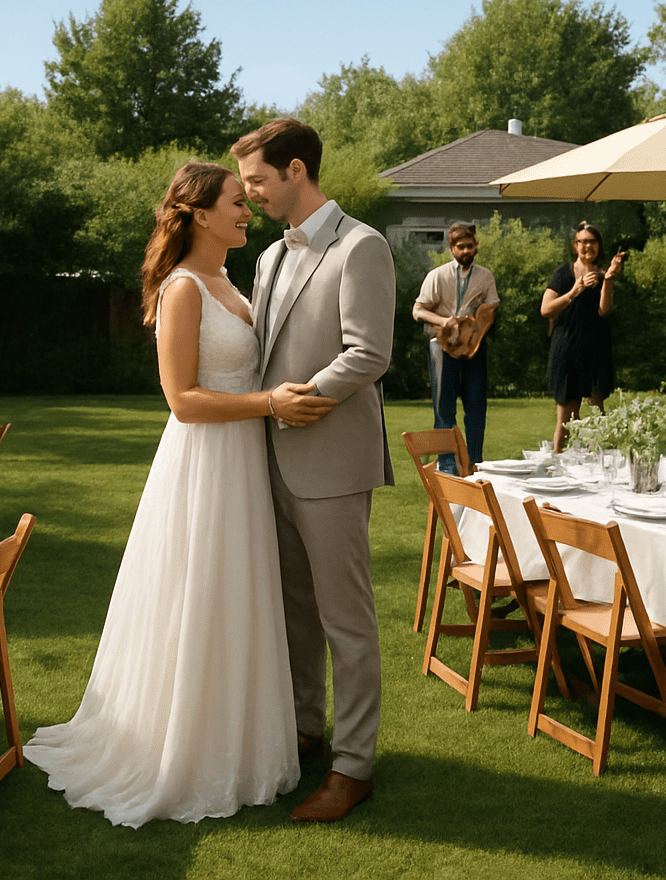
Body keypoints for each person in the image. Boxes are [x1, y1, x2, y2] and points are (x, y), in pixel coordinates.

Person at [24, 161, 331, 827]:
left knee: (240, 596)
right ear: (196, 213)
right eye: (233, 203)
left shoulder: (231, 280)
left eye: (247, 203)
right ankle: (184, 749)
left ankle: (243, 740)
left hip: (245, 461)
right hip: (204, 463)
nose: (247, 210)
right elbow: (183, 401)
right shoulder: (183, 288)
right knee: (199, 595)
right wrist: (269, 403)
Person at [237, 118, 396, 824]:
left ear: (297, 171)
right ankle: (306, 731)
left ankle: (354, 766)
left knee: (346, 620)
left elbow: (369, 353)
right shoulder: (269, 258)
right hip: (267, 460)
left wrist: (301, 401)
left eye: (259, 182)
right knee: (293, 610)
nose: (252, 197)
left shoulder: (363, 247)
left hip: (330, 458)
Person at [413, 222, 499, 469]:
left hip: (473, 347)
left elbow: (491, 306)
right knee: (444, 407)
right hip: (441, 346)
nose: (465, 251)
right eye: (460, 247)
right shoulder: (437, 276)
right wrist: (444, 322)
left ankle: (474, 463)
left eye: (469, 246)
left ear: (476, 245)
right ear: (451, 248)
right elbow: (418, 310)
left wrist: (478, 321)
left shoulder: (485, 276)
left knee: (476, 406)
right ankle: (448, 465)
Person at [541, 221, 626, 452]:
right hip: (567, 349)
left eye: (592, 242)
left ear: (599, 246)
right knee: (567, 418)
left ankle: (597, 468)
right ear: (575, 245)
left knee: (598, 416)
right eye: (582, 242)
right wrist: (574, 291)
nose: (587, 246)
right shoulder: (563, 273)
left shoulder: (602, 275)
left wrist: (608, 279)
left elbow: (604, 311)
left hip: (596, 349)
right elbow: (546, 309)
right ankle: (558, 466)